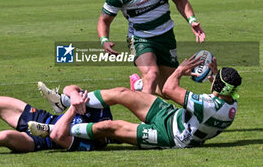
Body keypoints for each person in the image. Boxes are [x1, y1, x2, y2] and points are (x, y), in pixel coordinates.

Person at [32, 55, 242, 149]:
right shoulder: (230, 104)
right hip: (171, 116)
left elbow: (168, 89)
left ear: (219, 88)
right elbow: (220, 93)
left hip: (169, 136)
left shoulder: (208, 107)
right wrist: (214, 75)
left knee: (109, 127)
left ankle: (55, 128)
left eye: (215, 80)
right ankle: (64, 101)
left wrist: (180, 70)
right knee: (123, 93)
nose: (212, 80)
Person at [97, 0, 206, 95]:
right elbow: (104, 21)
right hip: (141, 37)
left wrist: (192, 20)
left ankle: (139, 85)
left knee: (168, 91)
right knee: (151, 75)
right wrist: (104, 40)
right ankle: (146, 120)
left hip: (166, 34)